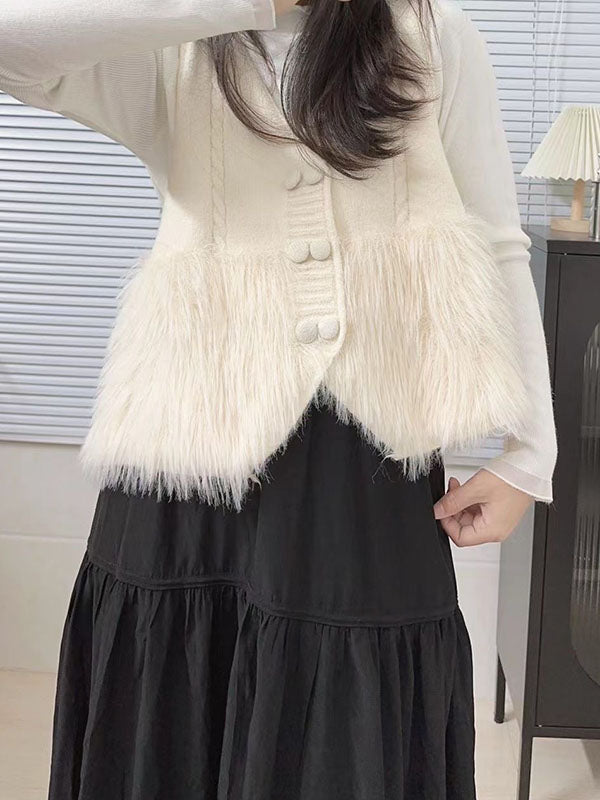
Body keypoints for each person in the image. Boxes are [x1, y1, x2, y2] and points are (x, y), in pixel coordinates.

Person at [0, 1, 557, 797]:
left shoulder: (433, 33)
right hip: (188, 446)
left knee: (346, 742)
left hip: (365, 459)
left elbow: (498, 239)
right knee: (169, 720)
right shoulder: (173, 43)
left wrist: (530, 456)